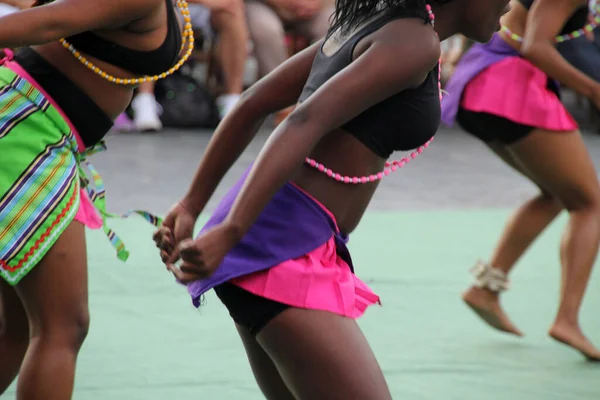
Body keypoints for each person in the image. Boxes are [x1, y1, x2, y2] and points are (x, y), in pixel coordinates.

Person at [153, 0, 510, 397]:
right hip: (281, 248)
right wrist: (232, 229)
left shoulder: (378, 25)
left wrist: (192, 204)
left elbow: (253, 102)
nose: (512, 3)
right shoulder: (414, 40)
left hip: (281, 238)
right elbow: (303, 118)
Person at [0, 0, 193, 398]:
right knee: (63, 324)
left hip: (39, 133)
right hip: (24, 132)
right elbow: (45, 22)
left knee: (16, 327)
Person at [441, 0, 600, 361]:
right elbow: (536, 46)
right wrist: (593, 91)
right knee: (590, 204)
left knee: (556, 194)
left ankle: (487, 288)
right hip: (507, 84)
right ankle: (568, 320)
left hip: (486, 81)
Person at [126, 0, 248, 132]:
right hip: (169, 4)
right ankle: (144, 100)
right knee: (156, 8)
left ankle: (232, 100)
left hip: (203, 7)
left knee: (233, 9)